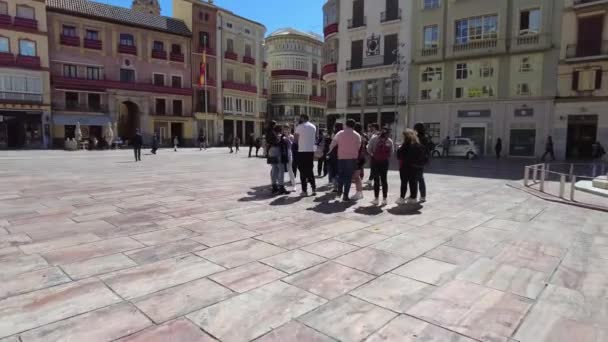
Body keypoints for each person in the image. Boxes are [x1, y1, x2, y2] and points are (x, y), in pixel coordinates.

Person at [329, 119, 362, 202]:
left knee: (341, 175)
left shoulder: (340, 133)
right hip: (352, 158)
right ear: (353, 126)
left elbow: (333, 144)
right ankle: (345, 196)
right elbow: (358, 147)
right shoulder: (357, 135)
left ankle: (339, 193)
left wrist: (329, 152)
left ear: (346, 125)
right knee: (348, 177)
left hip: (341, 157)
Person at [396, 129, 426, 205]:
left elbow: (399, 156)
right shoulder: (417, 145)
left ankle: (402, 198)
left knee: (404, 183)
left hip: (405, 167)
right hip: (415, 167)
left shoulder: (405, 145)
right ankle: (413, 198)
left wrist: (399, 148)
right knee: (413, 182)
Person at [367, 127, 393, 206]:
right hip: (384, 162)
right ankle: (384, 199)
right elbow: (391, 152)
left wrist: (373, 154)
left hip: (375, 161)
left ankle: (376, 199)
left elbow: (368, 149)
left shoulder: (374, 139)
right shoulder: (389, 141)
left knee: (376, 180)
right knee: (384, 180)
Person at [294, 114, 317, 196]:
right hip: (310, 151)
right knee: (310, 170)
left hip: (302, 151)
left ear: (303, 118)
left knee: (302, 171)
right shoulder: (313, 126)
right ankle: (314, 188)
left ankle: (304, 191)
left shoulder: (299, 127)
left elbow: (296, 140)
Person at [267, 125, 289, 195]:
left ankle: (274, 186)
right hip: (278, 151)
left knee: (274, 169)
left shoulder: (271, 134)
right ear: (280, 130)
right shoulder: (279, 135)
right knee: (281, 169)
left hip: (271, 150)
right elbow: (282, 143)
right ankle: (281, 187)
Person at [414, 123, 431, 203]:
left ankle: (413, 196)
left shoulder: (416, 138)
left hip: (415, 160)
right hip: (422, 160)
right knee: (420, 178)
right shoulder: (425, 138)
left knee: (414, 178)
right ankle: (423, 196)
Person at [351, 123, 366, 201]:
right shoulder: (362, 136)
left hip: (358, 158)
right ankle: (359, 192)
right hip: (361, 158)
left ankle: (359, 192)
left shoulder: (357, 136)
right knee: (357, 176)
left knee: (357, 176)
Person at [327, 122, 343, 189]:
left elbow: (332, 145)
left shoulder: (334, 134)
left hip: (334, 153)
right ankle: (339, 184)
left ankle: (335, 184)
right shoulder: (343, 133)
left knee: (333, 169)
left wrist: (328, 153)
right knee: (339, 170)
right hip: (342, 153)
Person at [284, 125, 297, 190]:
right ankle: (281, 185)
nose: (286, 130)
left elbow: (292, 144)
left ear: (290, 129)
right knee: (281, 170)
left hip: (289, 153)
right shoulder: (282, 136)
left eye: (287, 128)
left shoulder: (291, 136)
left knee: (290, 170)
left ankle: (294, 185)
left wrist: (287, 138)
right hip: (282, 154)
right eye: (285, 129)